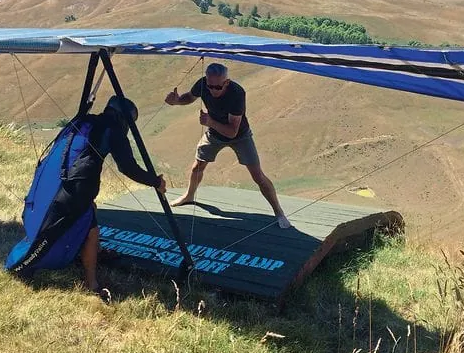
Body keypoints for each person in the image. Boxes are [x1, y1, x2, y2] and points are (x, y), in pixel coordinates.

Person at [52, 95, 165, 296]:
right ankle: (91, 283)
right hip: (78, 183)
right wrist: (155, 181)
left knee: (90, 209)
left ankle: (95, 252)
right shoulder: (114, 132)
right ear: (124, 119)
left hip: (60, 176)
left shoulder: (87, 120)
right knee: (91, 230)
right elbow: (128, 167)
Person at [164, 62, 291, 229]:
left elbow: (232, 132)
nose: (213, 90)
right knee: (197, 167)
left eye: (218, 87)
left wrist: (209, 121)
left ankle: (279, 212)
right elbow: (190, 96)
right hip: (214, 134)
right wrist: (178, 101)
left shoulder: (237, 93)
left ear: (227, 82)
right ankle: (189, 195)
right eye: (210, 86)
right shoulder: (203, 83)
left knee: (257, 176)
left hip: (240, 136)